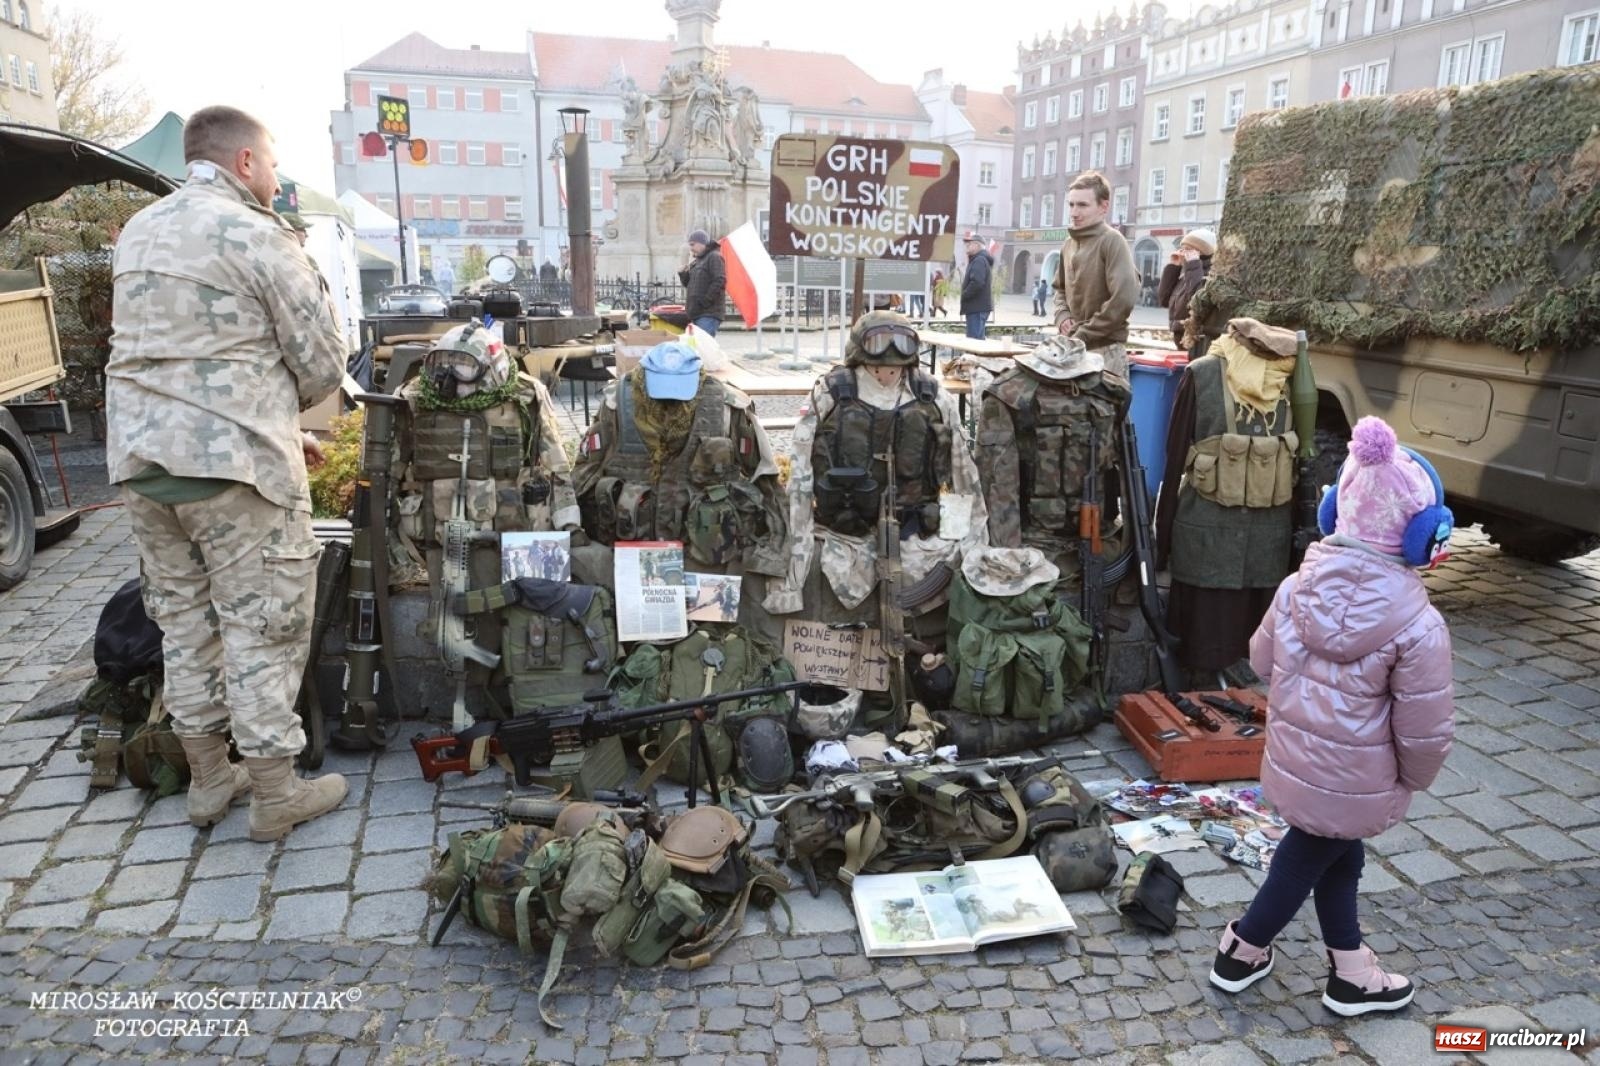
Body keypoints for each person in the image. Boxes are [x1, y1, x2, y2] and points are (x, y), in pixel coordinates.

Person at [105, 105, 349, 841]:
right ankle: (275, 793)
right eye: (272, 163)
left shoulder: (141, 231)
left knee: (182, 622)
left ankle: (210, 781)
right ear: (245, 162)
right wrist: (271, 426)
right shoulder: (255, 233)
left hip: (145, 464)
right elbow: (321, 364)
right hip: (231, 474)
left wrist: (269, 429)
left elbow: (176, 353)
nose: (276, 179)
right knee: (261, 624)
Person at [1209, 415, 1454, 1017]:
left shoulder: (1296, 587)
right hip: (1359, 776)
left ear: (1333, 512)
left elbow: (1261, 658)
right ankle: (1241, 949)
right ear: (1426, 535)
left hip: (1294, 757)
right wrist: (1413, 780)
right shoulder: (1419, 624)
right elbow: (1426, 730)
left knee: (1340, 852)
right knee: (1308, 853)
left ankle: (1350, 970)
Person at [767, 311, 988, 621]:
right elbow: (800, 480)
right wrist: (795, 571)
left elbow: (965, 481)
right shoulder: (830, 395)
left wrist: (967, 550)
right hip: (843, 533)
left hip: (916, 535)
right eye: (878, 366)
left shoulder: (936, 398)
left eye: (896, 367)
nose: (887, 373)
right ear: (860, 357)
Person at [1155, 317, 1302, 683]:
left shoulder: (1295, 382)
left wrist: (1162, 545)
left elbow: (1171, 460)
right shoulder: (1291, 379)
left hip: (1216, 546)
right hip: (1261, 548)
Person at [1050, 171, 1139, 376]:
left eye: (1082, 205)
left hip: (1105, 352)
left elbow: (1122, 300)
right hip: (1073, 349)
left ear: (1103, 207)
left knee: (1105, 409)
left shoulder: (1112, 241)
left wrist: (1083, 334)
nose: (1074, 212)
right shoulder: (1069, 244)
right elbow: (1060, 289)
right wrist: (1062, 316)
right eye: (1071, 204)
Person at [1158, 228, 1215, 350]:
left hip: (1196, 339)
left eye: (1188, 250)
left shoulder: (1209, 274)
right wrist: (1173, 267)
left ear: (1202, 252)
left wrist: (1193, 265)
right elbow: (1164, 300)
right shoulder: (1188, 272)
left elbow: (1196, 301)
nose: (1183, 253)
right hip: (1180, 337)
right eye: (1182, 249)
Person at [679, 229, 726, 335]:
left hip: (708, 313)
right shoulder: (698, 261)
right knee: (698, 347)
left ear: (702, 243)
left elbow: (720, 280)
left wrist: (705, 301)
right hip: (697, 313)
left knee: (702, 347)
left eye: (692, 244)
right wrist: (683, 273)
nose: (691, 249)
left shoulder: (714, 256)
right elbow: (689, 285)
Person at [959, 233, 993, 340]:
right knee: (977, 341)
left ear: (977, 246)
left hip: (976, 308)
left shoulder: (979, 260)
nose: (967, 246)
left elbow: (977, 282)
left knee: (974, 342)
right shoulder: (979, 259)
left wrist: (964, 295)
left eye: (969, 244)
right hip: (977, 308)